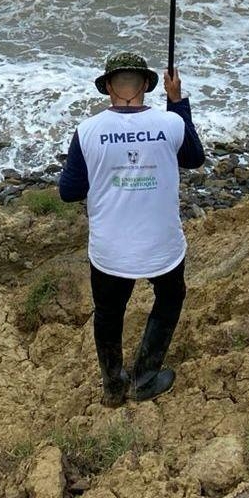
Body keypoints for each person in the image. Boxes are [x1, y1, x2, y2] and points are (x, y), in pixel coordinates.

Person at [58, 52, 206, 406]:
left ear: (108, 87)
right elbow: (194, 158)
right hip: (163, 246)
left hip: (109, 251)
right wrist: (177, 102)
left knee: (109, 313)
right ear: (146, 86)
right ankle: (145, 377)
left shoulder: (88, 131)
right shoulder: (170, 125)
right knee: (169, 299)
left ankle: (113, 385)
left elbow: (69, 192)